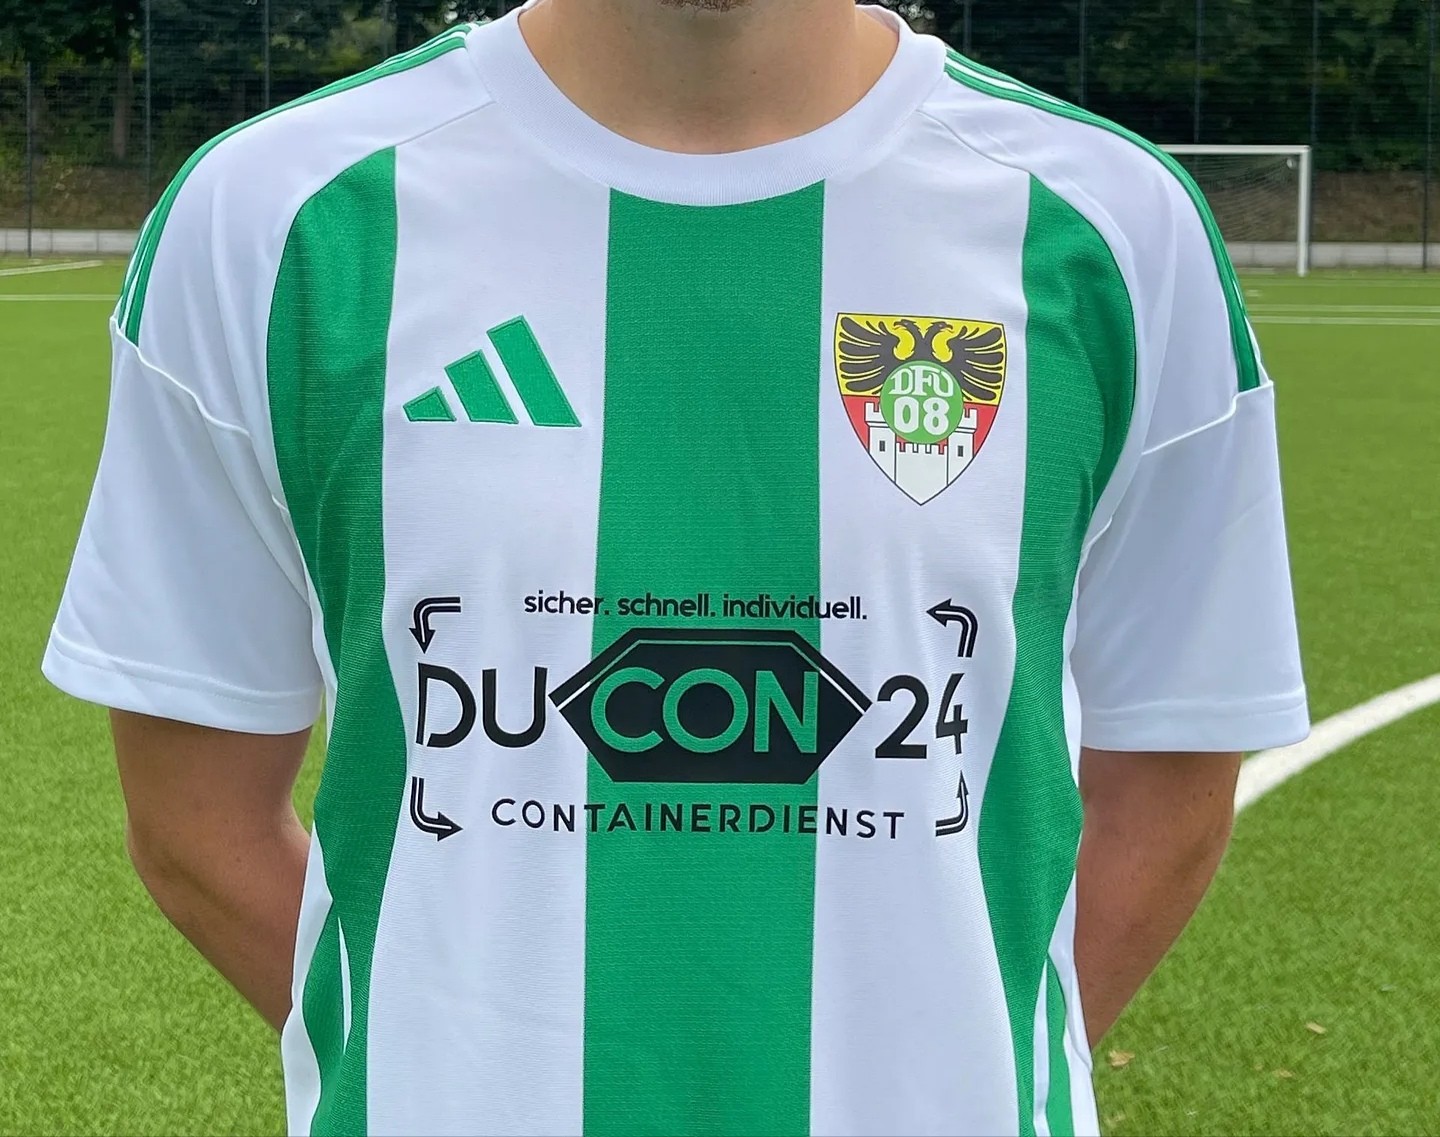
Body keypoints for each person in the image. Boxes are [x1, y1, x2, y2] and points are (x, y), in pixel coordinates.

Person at [43, 0, 1309, 1132]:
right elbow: (195, 823)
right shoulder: (269, 220)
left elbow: (1172, 784)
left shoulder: (1116, 230)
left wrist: (945, 1081)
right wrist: (450, 1079)